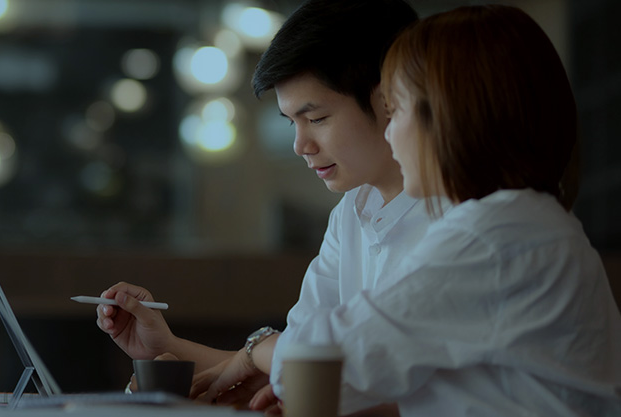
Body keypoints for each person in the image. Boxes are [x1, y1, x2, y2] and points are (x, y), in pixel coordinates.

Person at [194, 4, 621, 416]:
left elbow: (334, 356)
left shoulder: (498, 233)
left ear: (453, 117)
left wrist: (260, 353)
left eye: (396, 110)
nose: (391, 133)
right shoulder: (515, 222)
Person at [95, 0, 425, 413]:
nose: (300, 146)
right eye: (292, 122)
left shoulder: (460, 219)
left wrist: (263, 354)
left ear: (389, 100)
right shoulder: (352, 211)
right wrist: (170, 347)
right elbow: (295, 362)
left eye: (317, 118)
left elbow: (333, 373)